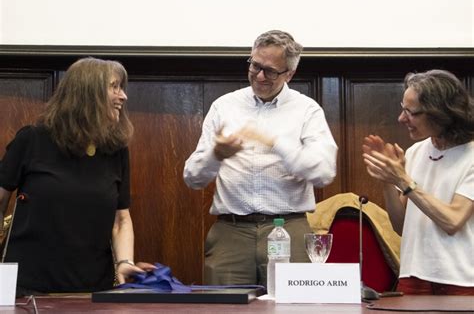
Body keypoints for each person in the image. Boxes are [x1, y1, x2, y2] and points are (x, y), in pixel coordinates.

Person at [183, 30, 338, 287]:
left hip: (289, 227)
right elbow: (192, 178)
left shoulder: (307, 110)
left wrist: (278, 144)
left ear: (289, 74)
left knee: (292, 308)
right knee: (223, 309)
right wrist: (215, 155)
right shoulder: (224, 106)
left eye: (271, 71)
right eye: (255, 66)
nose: (259, 76)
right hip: (231, 232)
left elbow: (324, 172)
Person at [0, 57, 155, 295]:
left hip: (92, 291)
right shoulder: (32, 140)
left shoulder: (116, 150)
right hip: (27, 290)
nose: (123, 96)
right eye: (114, 87)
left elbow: (121, 219)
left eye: (121, 88)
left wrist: (125, 262)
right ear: (86, 92)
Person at [362, 69, 474, 295]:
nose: (401, 118)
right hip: (413, 277)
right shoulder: (415, 152)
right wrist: (387, 179)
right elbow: (401, 226)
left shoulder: (470, 156)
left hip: (460, 280)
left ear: (440, 114)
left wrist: (403, 180)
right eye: (403, 109)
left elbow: (452, 220)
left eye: (410, 112)